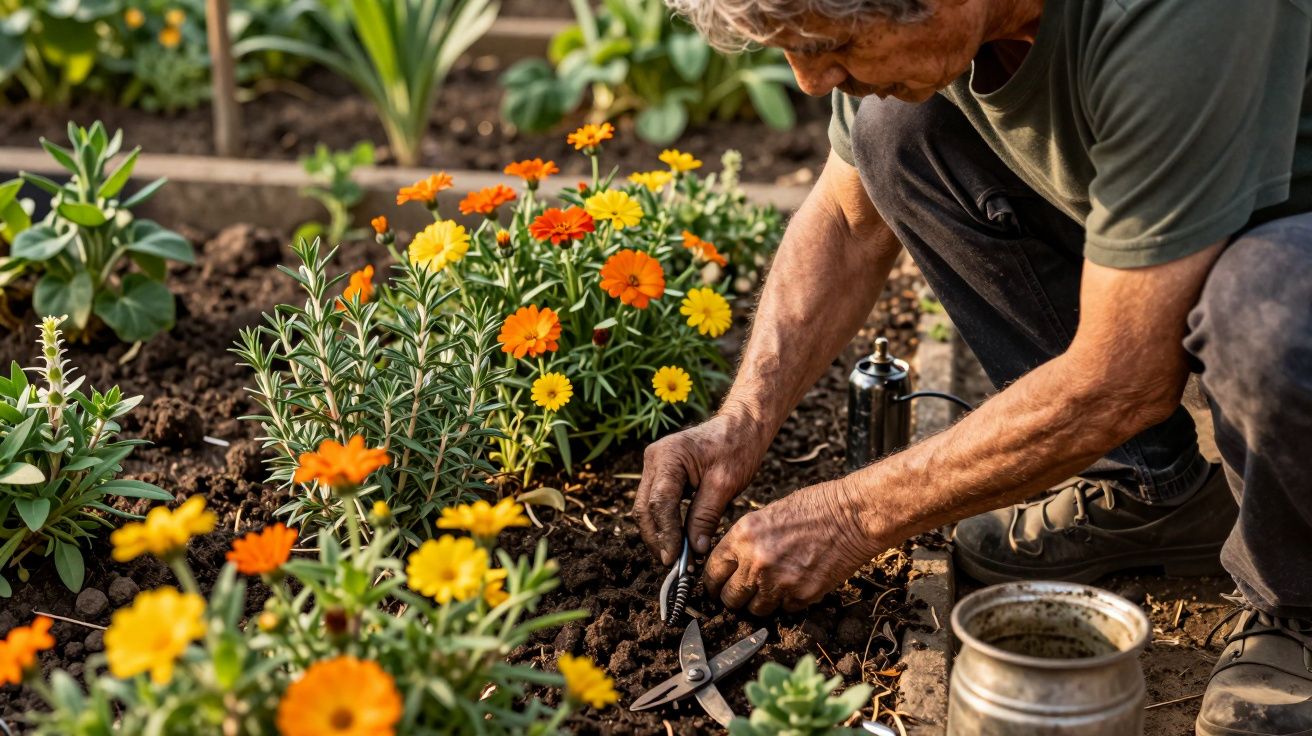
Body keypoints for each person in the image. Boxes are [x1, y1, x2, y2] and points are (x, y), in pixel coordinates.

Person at [632, 1, 1312, 733]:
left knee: (1265, 311)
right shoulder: (962, 28)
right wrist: (740, 422)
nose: (807, 80)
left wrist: (850, 515)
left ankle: (1297, 603)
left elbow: (1124, 377)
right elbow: (843, 219)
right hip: (1202, 192)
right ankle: (1155, 493)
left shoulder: (1176, 17)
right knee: (891, 133)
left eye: (828, 44)